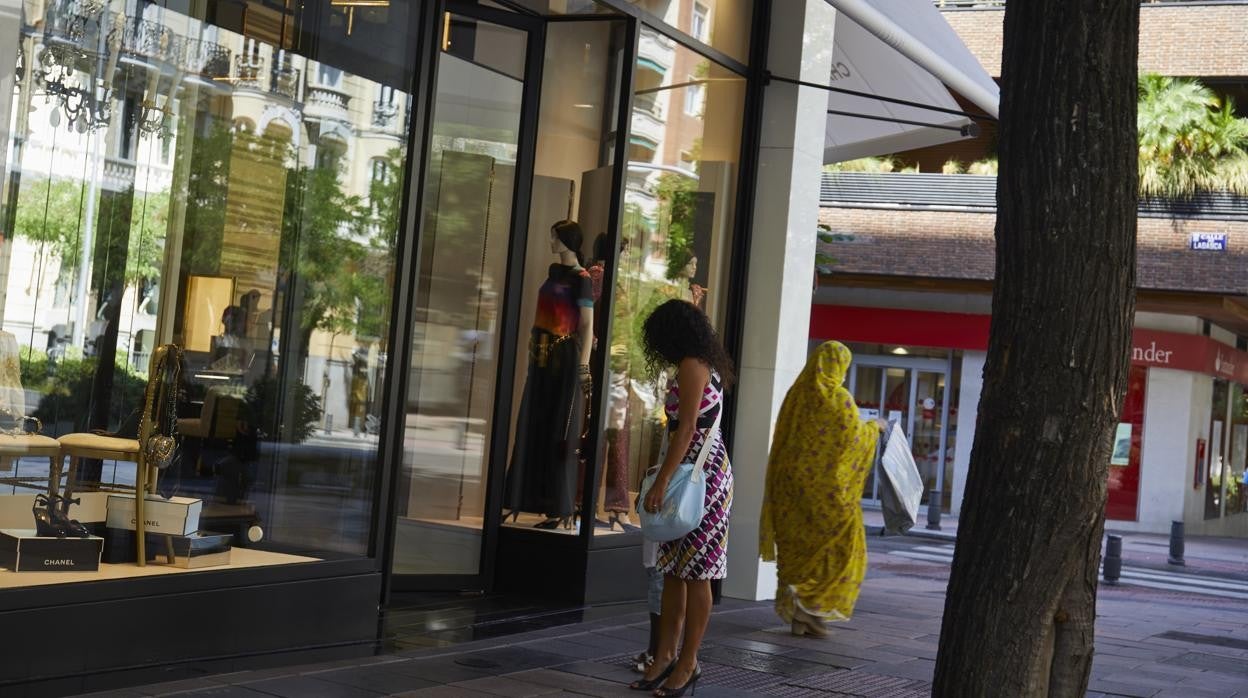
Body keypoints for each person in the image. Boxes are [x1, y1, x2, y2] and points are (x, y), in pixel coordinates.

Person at [631, 299, 734, 697]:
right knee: (674, 570)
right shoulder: (698, 361)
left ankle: (688, 661)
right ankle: (665, 657)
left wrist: (661, 482)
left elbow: (687, 428)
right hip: (692, 472)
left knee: (697, 574)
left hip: (700, 476)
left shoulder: (693, 365)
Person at [759, 341, 889, 637]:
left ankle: (804, 616)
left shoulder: (797, 395)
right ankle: (808, 608)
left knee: (802, 551)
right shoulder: (838, 398)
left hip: (789, 493)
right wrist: (875, 427)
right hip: (828, 497)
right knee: (844, 551)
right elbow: (851, 441)